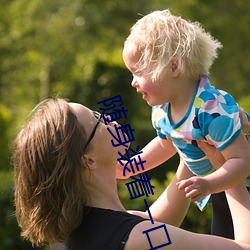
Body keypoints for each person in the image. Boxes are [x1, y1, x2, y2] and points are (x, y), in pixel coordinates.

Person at [13, 98, 250, 250]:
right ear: (88, 160)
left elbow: (160, 221)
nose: (109, 118)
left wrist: (190, 137)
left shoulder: (77, 230)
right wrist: (226, 165)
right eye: (98, 120)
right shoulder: (138, 239)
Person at [120, 9, 250, 239]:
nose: (132, 82)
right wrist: (131, 166)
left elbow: (242, 160)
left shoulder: (210, 109)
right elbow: (165, 145)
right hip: (220, 189)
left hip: (239, 185)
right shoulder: (162, 110)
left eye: (138, 72)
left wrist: (209, 184)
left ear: (173, 67)